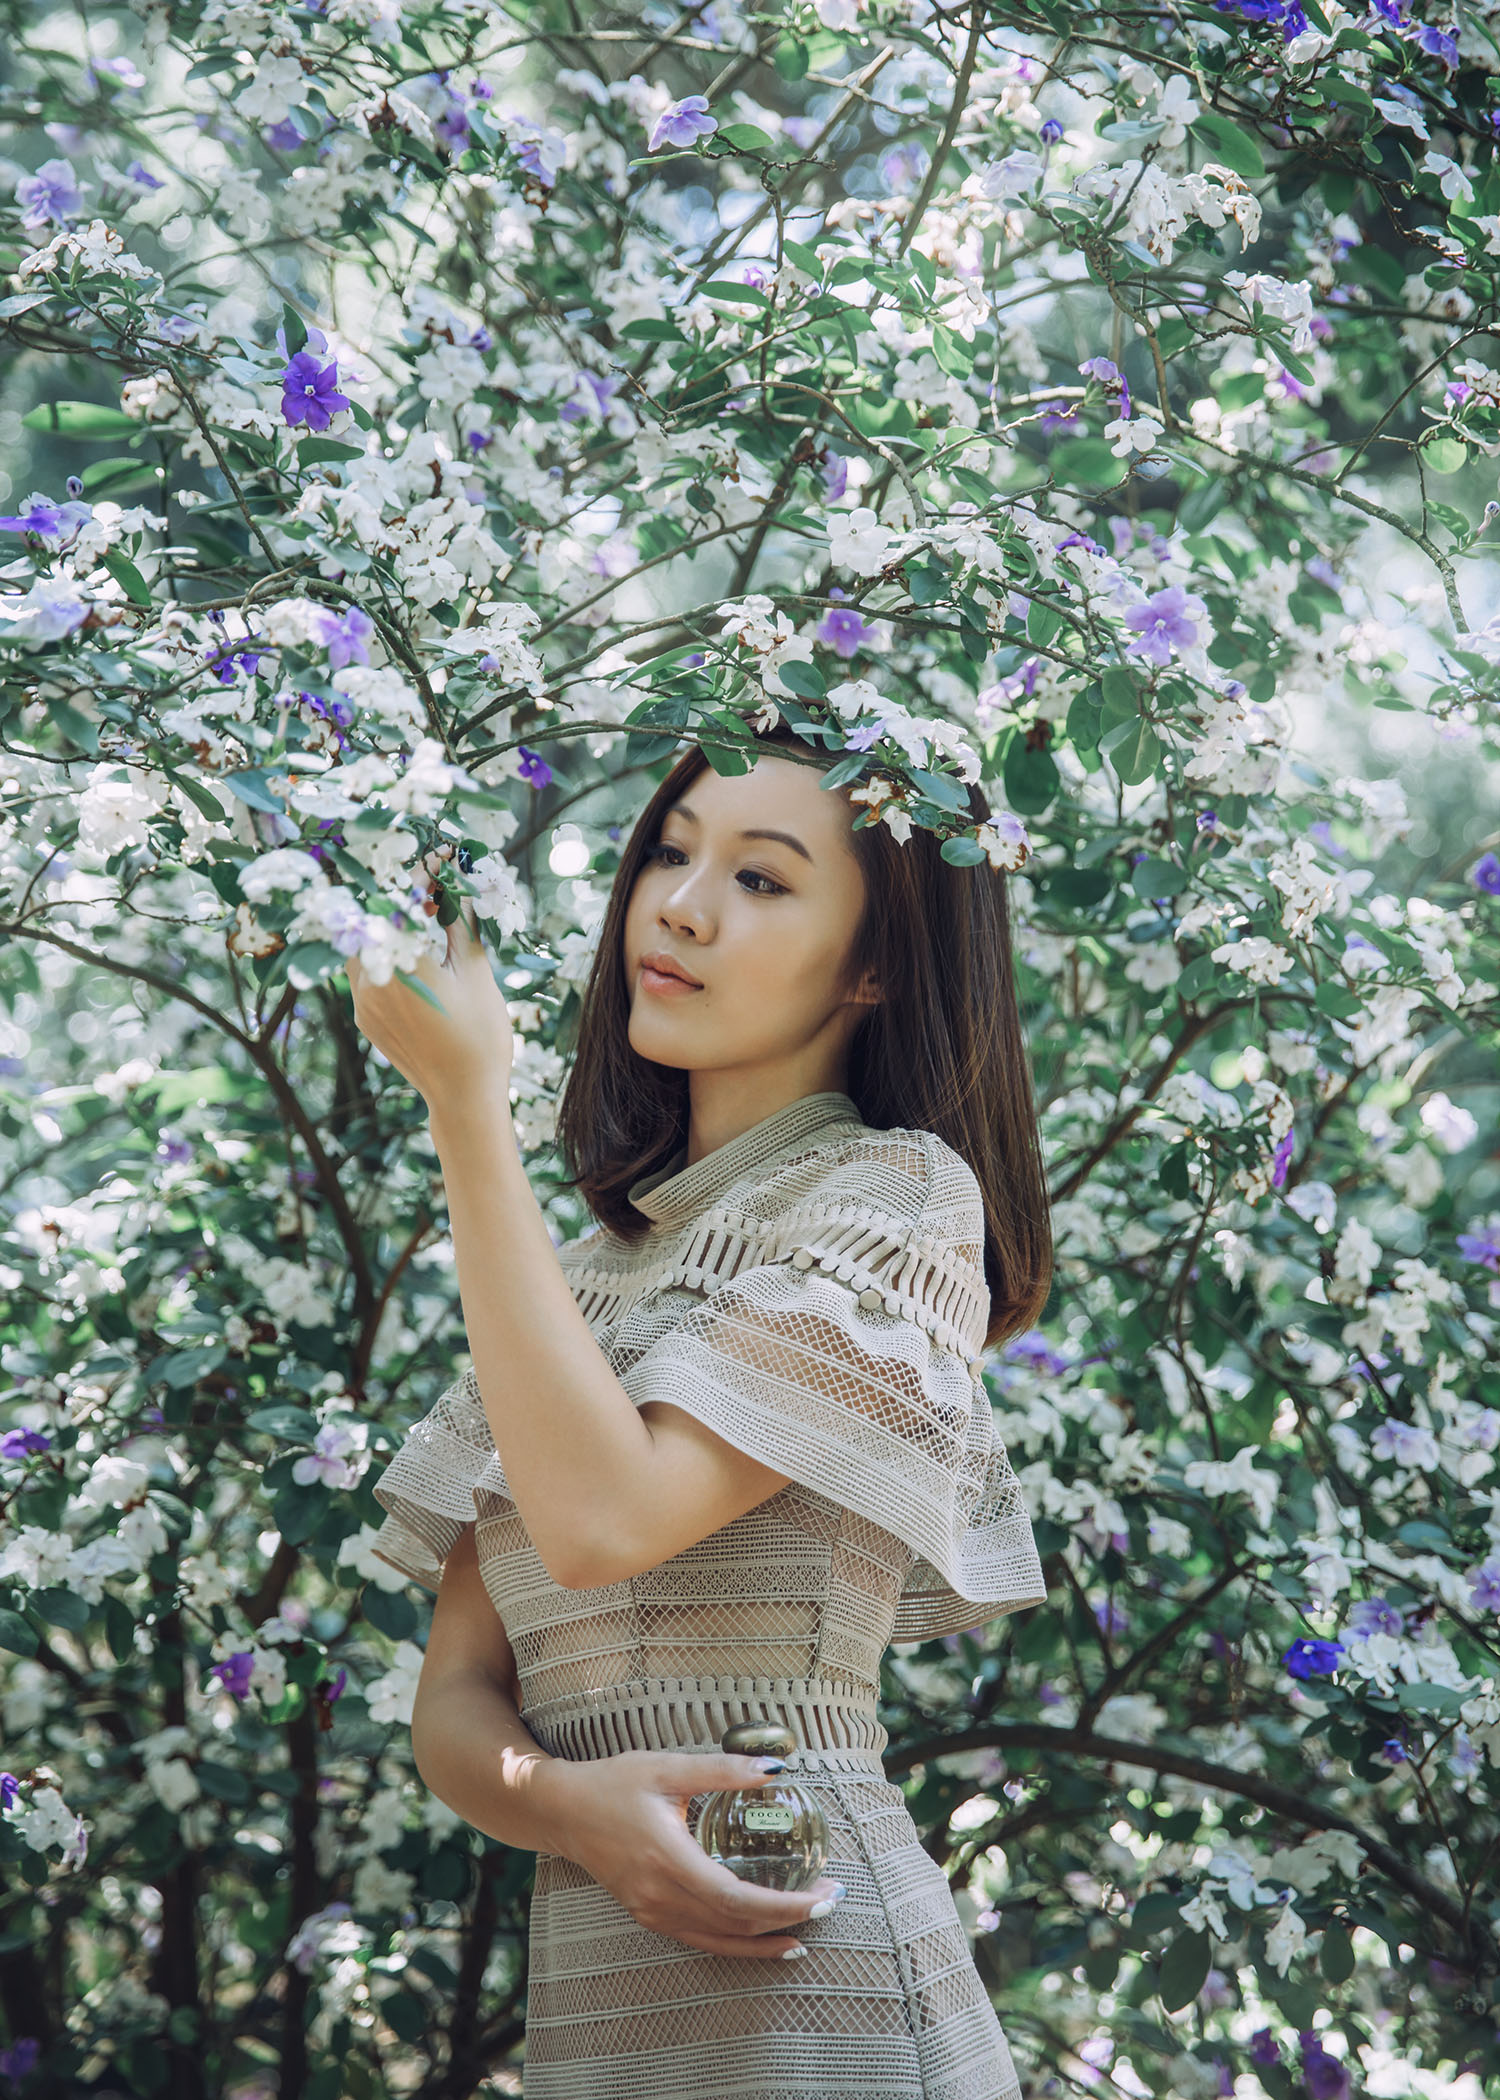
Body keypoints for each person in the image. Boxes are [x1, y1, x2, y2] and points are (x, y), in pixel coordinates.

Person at [348, 719, 1053, 2099]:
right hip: (609, 2025)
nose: (677, 903)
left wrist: (469, 1113)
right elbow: (457, 1698)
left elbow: (608, 1520)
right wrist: (568, 1807)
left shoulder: (896, 1199)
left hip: (827, 2005)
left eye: (763, 879)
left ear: (874, 966)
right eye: (672, 852)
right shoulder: (588, 1284)